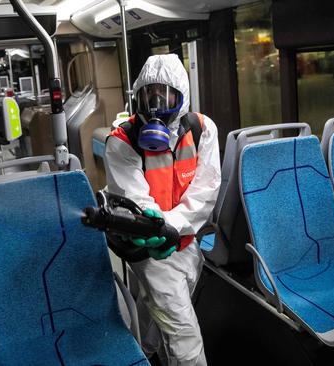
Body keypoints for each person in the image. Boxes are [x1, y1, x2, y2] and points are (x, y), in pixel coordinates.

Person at [104, 54, 221, 366]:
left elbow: (205, 191)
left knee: (157, 310)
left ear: (180, 97)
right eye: (148, 94)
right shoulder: (122, 141)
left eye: (165, 94)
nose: (156, 103)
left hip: (187, 242)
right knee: (185, 337)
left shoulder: (202, 130)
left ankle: (142, 353)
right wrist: (160, 228)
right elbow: (136, 201)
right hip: (152, 249)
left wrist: (174, 226)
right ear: (137, 96)